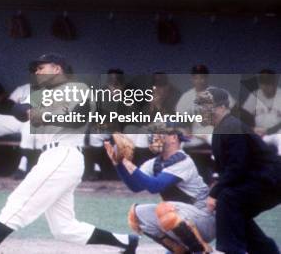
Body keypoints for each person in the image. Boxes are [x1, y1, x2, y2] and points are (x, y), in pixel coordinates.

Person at [0, 53, 138, 254]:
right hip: (51, 157)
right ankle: (127, 242)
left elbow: (78, 118)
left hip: (65, 154)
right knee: (64, 228)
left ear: (57, 68)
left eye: (41, 68)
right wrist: (27, 112)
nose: (37, 72)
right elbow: (17, 109)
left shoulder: (77, 88)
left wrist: (45, 115)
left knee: (18, 201)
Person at [195, 87, 281, 254]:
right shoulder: (221, 128)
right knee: (234, 213)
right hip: (259, 180)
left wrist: (215, 193)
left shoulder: (232, 126)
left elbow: (237, 167)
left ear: (221, 107)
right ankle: (266, 250)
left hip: (271, 181)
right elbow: (230, 169)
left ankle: (230, 250)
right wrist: (217, 188)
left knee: (228, 199)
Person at [106, 127, 215, 252]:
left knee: (164, 209)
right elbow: (135, 186)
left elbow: (155, 186)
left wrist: (127, 163)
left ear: (174, 138)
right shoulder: (154, 163)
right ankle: (180, 250)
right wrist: (119, 164)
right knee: (136, 214)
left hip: (204, 219)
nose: (154, 136)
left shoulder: (183, 161)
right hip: (182, 215)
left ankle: (199, 250)